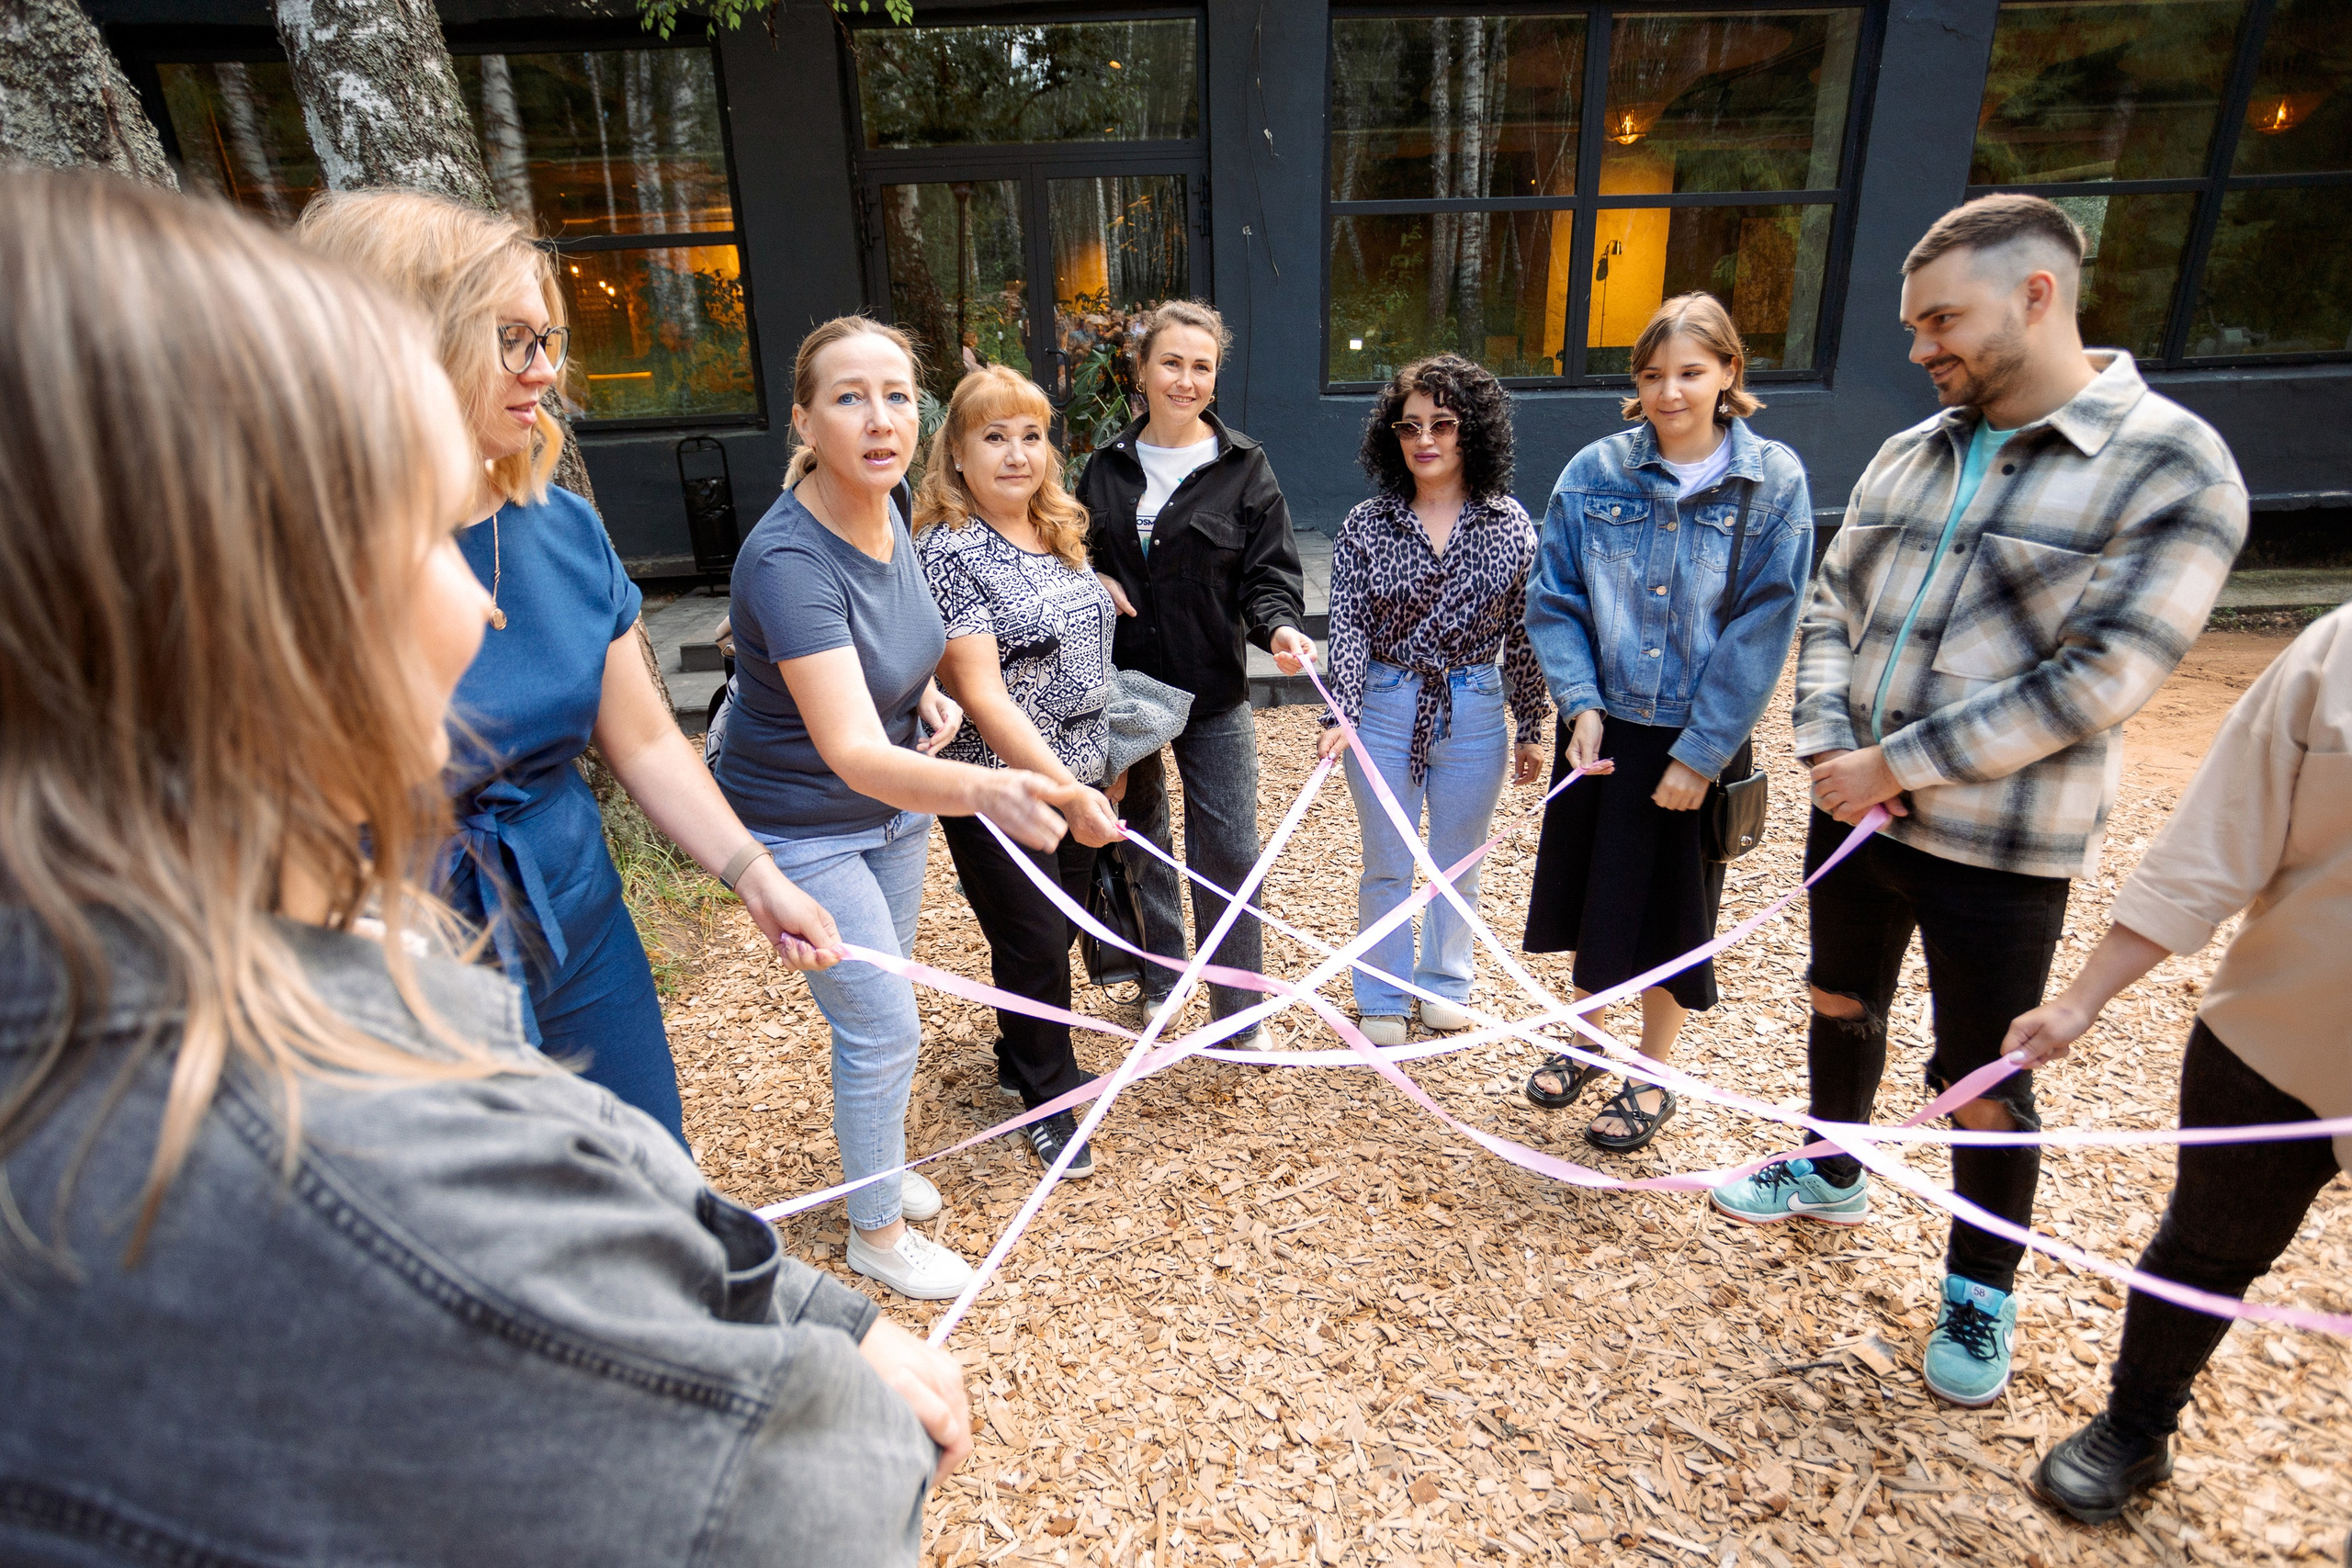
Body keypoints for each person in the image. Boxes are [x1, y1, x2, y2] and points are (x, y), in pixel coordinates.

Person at [0, 165, 961, 1564]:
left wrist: (798, 1317)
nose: (472, 603)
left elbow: (611, 1187)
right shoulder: (317, 1113)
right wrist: (819, 1396)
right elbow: (763, 1489)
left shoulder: (147, 953)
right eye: (398, 520)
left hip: (554, 917)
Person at [1709, 195, 2248, 1409]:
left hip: (2001, 849)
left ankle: (1980, 1283)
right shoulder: (1915, 450)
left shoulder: (2170, 467)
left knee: (1987, 1073)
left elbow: (2099, 676)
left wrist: (1897, 765)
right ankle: (1829, 1163)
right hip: (1852, 811)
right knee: (1837, 1000)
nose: (1919, 349)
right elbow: (1834, 608)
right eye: (1914, 325)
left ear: (2038, 295)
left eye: (1941, 319)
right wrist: (1835, 746)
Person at [296, 190, 840, 1149]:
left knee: (646, 1178)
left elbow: (640, 741)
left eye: (548, 337)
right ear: (398, 341)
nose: (545, 369)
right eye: (511, 339)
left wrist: (752, 873)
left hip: (573, 930)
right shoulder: (271, 561)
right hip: (383, 963)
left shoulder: (558, 526)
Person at [713, 317, 1085, 1301]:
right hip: (798, 823)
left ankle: (876, 1164)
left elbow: (891, 643)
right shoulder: (789, 559)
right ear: (804, 418)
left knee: (885, 1017)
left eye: (894, 395)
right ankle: (875, 1233)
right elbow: (847, 751)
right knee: (882, 1026)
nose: (879, 419)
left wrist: (921, 687)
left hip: (889, 817)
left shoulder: (890, 510)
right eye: (848, 397)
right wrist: (987, 787)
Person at [1999, 606, 2350, 1523]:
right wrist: (2081, 997)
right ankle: (2136, 1425)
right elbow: (2216, 839)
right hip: (2279, 1034)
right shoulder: (2338, 649)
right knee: (2205, 1245)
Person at [1521, 295, 1815, 1152]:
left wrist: (1703, 751)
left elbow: (1765, 624)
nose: (1670, 392)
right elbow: (1556, 598)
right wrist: (1577, 702)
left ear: (1729, 371)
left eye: (1690, 372)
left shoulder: (1773, 481)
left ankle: (1652, 1070)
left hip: (1693, 733)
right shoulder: (1594, 470)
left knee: (1668, 912)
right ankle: (1588, 1037)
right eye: (1652, 375)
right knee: (1594, 897)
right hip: (1604, 726)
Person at [1077, 300, 1315, 1041]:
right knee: (1140, 834)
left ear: (1216, 376)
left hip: (1213, 691)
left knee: (1231, 850)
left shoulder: (1245, 466)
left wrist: (1278, 628)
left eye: (1201, 366)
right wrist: (1089, 580)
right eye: (1171, 363)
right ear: (1141, 370)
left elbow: (1270, 573)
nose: (1186, 379)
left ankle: (1240, 1014)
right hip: (1125, 689)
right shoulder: (1104, 467)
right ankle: (1164, 977)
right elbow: (1064, 552)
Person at [914, 367, 1125, 1178]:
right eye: (994, 437)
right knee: (1032, 938)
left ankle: (1019, 1047)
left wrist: (1099, 771)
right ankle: (1047, 1097)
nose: (1016, 454)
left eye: (1031, 436)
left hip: (1081, 767)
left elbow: (1087, 654)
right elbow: (982, 693)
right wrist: (1063, 791)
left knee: (1065, 924)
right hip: (997, 783)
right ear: (958, 454)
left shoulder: (1059, 529)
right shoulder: (948, 549)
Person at [1316, 355, 1549, 1047]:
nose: (1425, 439)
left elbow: (1525, 631)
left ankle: (1445, 983)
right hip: (1387, 702)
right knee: (1387, 860)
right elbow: (1349, 624)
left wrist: (1532, 722)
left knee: (1458, 860)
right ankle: (1381, 992)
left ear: (1470, 431)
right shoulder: (1367, 523)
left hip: (1475, 703)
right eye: (1410, 425)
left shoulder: (1510, 525)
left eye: (1442, 424)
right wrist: (1341, 711)